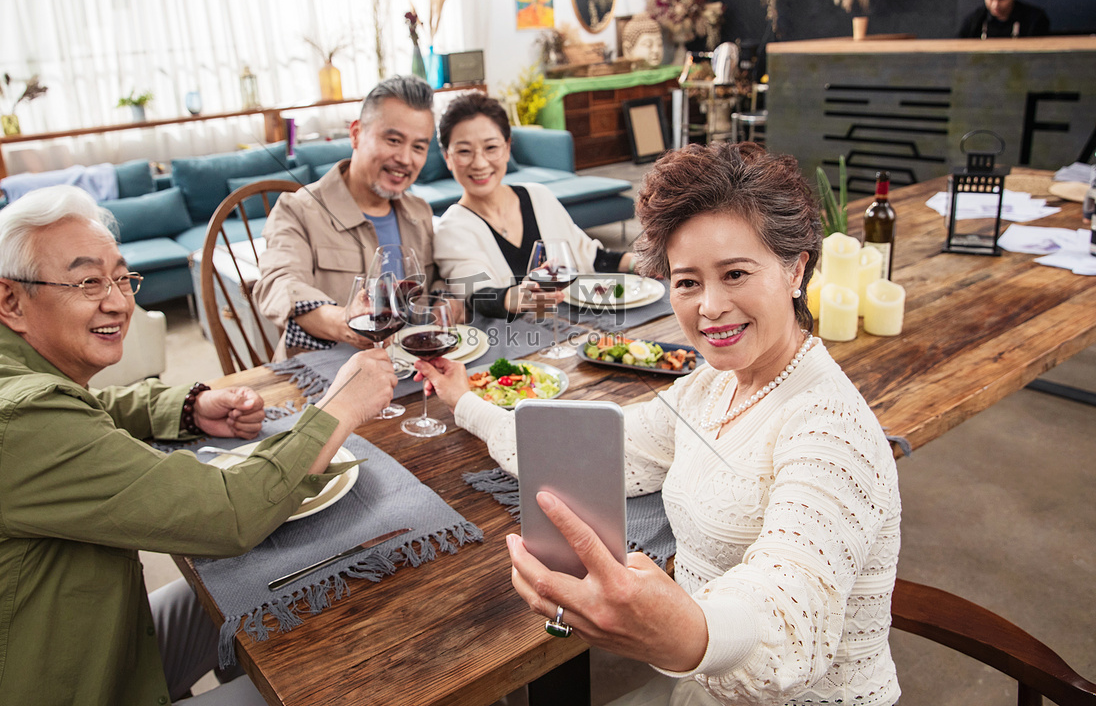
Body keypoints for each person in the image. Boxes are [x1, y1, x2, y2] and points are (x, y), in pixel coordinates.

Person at [418, 143, 902, 706]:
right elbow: (578, 450)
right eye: (688, 282)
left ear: (796, 269)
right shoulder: (711, 387)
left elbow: (791, 621)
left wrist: (676, 633)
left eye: (736, 273)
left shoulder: (830, 427)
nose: (710, 307)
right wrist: (464, 400)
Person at [0, 185, 396, 705]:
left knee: (265, 584)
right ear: (10, 301)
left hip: (81, 643)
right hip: (50, 684)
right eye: (89, 281)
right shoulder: (20, 420)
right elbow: (229, 513)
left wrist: (187, 405)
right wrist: (340, 406)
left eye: (119, 277)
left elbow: (81, 411)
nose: (117, 301)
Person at [254, 75, 440, 355]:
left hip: (405, 370)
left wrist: (444, 303)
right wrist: (345, 320)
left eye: (418, 147)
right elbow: (279, 285)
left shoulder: (419, 211)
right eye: (393, 140)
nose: (405, 158)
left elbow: (433, 285)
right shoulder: (296, 209)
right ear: (355, 134)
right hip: (322, 377)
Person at [433, 92, 636, 319]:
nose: (479, 163)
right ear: (447, 157)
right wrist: (518, 296)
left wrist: (638, 263)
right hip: (514, 342)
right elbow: (478, 295)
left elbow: (590, 256)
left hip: (577, 328)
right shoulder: (452, 228)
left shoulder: (539, 196)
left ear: (508, 148)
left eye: (491, 148)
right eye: (463, 151)